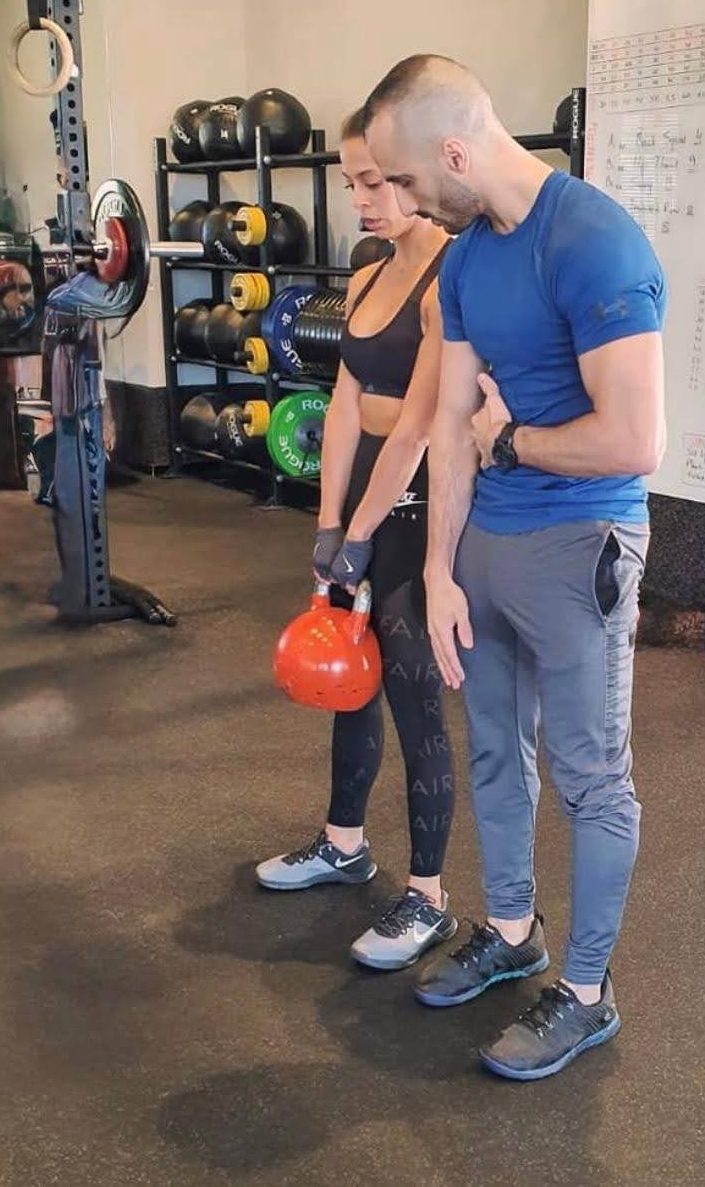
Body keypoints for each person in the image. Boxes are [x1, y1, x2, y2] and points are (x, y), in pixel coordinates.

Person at [362, 55, 667, 1079]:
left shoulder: (593, 241)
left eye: (408, 181)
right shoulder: (465, 261)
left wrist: (514, 441)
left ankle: (584, 991)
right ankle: (510, 930)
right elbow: (451, 421)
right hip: (486, 544)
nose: (404, 203)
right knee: (495, 746)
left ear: (454, 153)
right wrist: (438, 570)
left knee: (590, 777)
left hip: (581, 542)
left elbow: (635, 440)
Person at [256, 106, 459, 972]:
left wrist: (367, 532)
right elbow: (342, 404)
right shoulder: (370, 270)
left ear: (413, 172)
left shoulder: (450, 276)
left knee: (413, 694)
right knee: (349, 679)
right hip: (364, 499)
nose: (362, 201)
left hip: (416, 503)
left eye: (373, 182)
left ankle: (429, 896)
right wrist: (329, 523)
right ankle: (345, 843)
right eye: (351, 184)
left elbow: (417, 425)